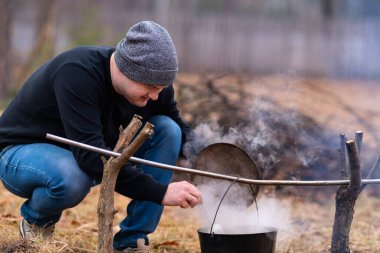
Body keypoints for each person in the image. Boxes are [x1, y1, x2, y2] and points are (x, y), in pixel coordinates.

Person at [0, 21, 202, 252]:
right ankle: (37, 223)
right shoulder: (78, 73)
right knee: (71, 177)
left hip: (86, 155)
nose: (156, 96)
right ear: (129, 69)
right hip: (21, 153)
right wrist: (161, 192)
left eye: (161, 88)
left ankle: (131, 242)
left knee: (167, 129)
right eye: (151, 87)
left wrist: (209, 156)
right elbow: (92, 157)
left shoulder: (154, 86)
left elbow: (176, 124)